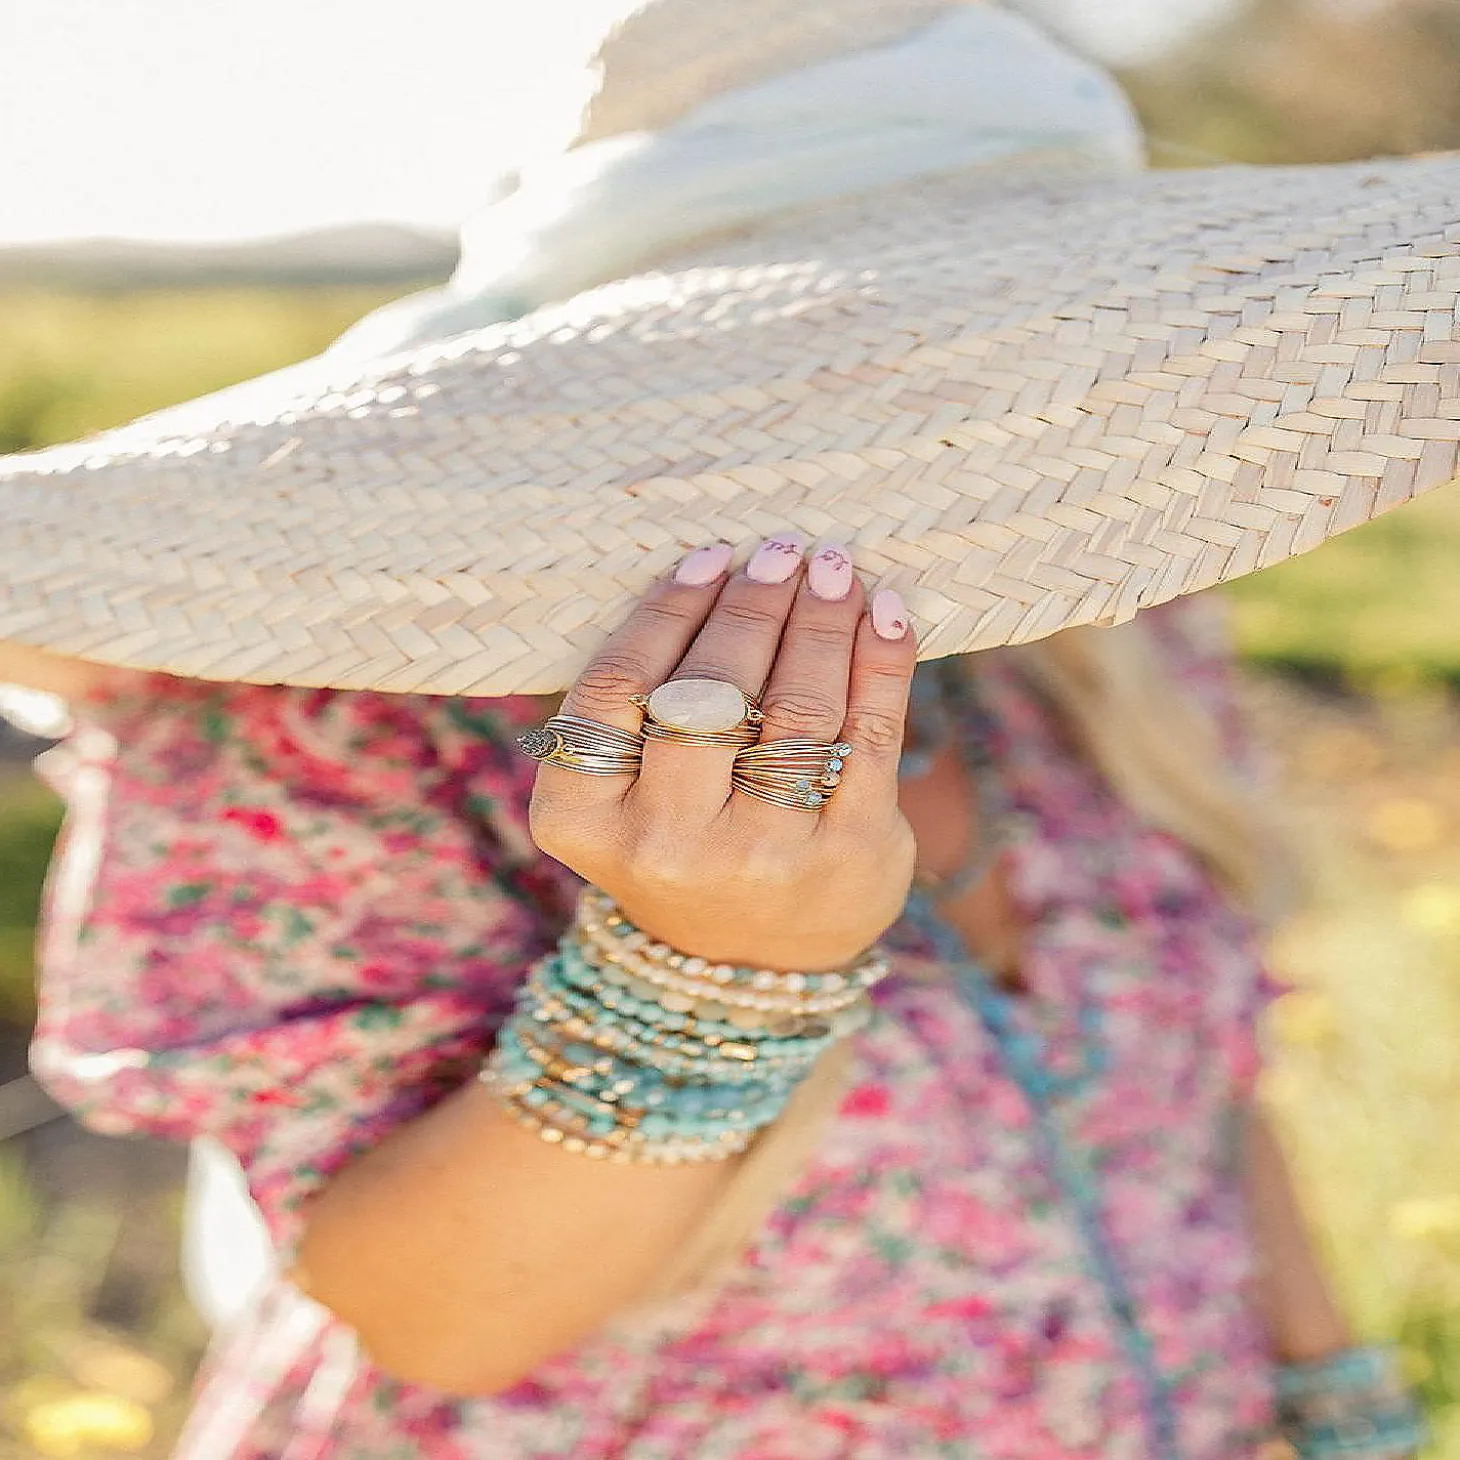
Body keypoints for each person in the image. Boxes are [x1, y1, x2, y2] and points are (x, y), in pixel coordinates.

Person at [7, 2, 1440, 1456]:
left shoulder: (1097, 638)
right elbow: (440, 1323)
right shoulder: (321, 735)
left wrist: (1337, 1401)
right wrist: (709, 976)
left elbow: (1195, 1093)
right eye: (875, 374)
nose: (957, 435)